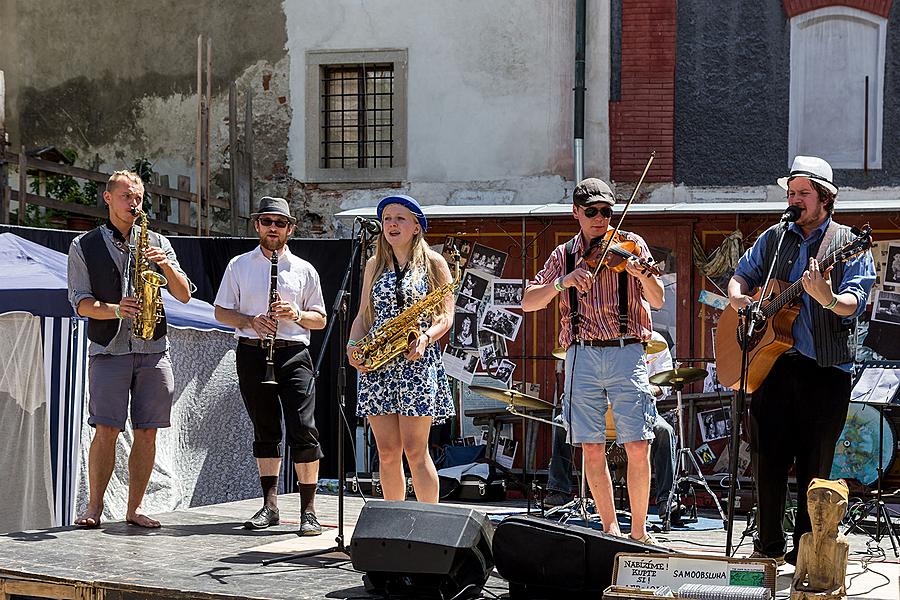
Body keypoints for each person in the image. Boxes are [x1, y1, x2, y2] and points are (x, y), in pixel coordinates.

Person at [727, 156, 875, 565]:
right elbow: (741, 276)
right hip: (772, 366)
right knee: (767, 461)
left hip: (824, 372)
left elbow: (854, 302)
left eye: (803, 194)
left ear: (824, 198)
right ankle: (767, 550)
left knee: (815, 467)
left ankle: (806, 558)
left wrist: (828, 298)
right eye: (790, 193)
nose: (794, 200)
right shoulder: (775, 239)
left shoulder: (846, 243)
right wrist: (740, 299)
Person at [523, 177, 665, 544]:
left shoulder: (631, 246)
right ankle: (609, 529)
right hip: (581, 354)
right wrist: (563, 283)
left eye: (606, 211)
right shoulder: (564, 255)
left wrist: (641, 276)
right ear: (576, 213)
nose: (601, 219)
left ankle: (639, 532)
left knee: (637, 443)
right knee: (590, 445)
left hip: (627, 350)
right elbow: (529, 301)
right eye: (592, 212)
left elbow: (659, 297)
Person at [67, 170, 192, 528]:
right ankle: (94, 507)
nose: (133, 204)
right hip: (109, 348)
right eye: (126, 197)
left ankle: (134, 508)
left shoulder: (157, 241)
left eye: (137, 198)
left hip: (154, 347)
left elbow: (184, 294)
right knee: (105, 428)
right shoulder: (83, 245)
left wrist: (164, 263)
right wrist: (117, 309)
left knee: (148, 430)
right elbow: (80, 303)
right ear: (108, 198)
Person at [214, 196, 327, 535]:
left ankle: (308, 510)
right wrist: (251, 320)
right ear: (257, 226)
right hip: (252, 351)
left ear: (290, 229)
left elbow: (319, 319)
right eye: (267, 222)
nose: (273, 228)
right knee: (265, 430)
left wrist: (295, 315)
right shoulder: (239, 265)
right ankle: (270, 505)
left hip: (293, 353)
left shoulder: (304, 269)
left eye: (280, 223)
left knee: (303, 429)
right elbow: (221, 312)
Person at [347, 195, 455, 503]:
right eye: (387, 219)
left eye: (400, 218)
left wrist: (424, 338)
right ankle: (392, 524)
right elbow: (363, 316)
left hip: (416, 363)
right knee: (388, 452)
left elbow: (446, 317)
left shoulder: (434, 263)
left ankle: (429, 527)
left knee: (415, 451)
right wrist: (353, 348)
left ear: (416, 227)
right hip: (379, 364)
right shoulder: (373, 265)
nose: (391, 224)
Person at [544, 331, 680, 527]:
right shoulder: (596, 342)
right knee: (560, 424)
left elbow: (664, 385)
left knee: (665, 431)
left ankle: (666, 499)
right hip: (601, 408)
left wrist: (645, 388)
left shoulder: (658, 343)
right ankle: (558, 490)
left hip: (637, 407)